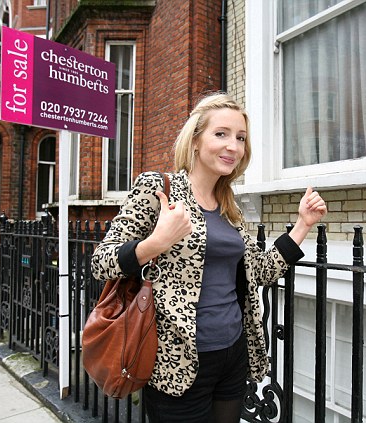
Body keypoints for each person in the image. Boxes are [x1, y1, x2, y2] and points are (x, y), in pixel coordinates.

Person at [91, 92, 327, 422]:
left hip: (232, 352)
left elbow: (258, 272)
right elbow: (101, 262)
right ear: (196, 141)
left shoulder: (230, 207)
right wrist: (156, 243)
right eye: (221, 134)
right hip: (177, 360)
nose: (233, 146)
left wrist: (302, 225)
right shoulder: (159, 188)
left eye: (241, 138)